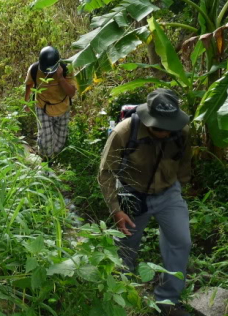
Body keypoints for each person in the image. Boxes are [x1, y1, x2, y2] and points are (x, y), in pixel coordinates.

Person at [98, 89, 192, 316]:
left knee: (181, 241)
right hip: (132, 193)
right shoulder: (124, 131)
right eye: (158, 128)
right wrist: (116, 210)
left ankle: (167, 301)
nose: (164, 133)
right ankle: (123, 295)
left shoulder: (183, 132)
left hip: (168, 193)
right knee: (127, 247)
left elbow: (185, 162)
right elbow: (106, 172)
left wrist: (182, 187)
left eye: (168, 128)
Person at [24, 46, 76, 158]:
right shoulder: (34, 69)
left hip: (62, 108)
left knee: (60, 143)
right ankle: (46, 162)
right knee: (46, 139)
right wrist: (26, 102)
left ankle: (50, 156)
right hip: (43, 107)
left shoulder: (66, 69)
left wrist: (61, 78)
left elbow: (71, 93)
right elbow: (29, 84)